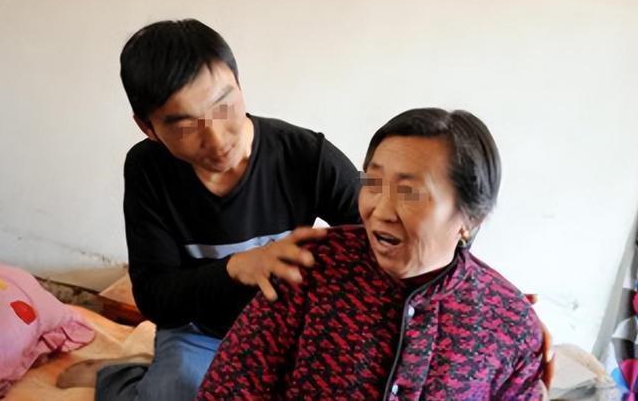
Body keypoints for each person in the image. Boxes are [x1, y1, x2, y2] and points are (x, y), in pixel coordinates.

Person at [59, 19, 361, 401]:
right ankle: (122, 378)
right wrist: (236, 268)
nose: (217, 140)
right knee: (179, 390)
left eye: (224, 106)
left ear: (240, 84)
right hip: (199, 332)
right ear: (148, 128)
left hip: (286, 327)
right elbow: (154, 297)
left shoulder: (307, 154)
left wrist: (422, 195)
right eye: (185, 126)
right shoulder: (146, 169)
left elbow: (384, 207)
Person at [197, 108, 546, 400]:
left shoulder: (509, 326)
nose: (380, 211)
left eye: (409, 192)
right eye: (373, 183)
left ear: (471, 218)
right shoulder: (310, 266)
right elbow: (230, 387)